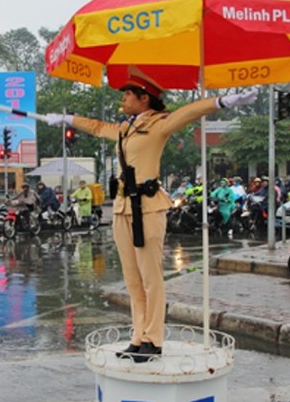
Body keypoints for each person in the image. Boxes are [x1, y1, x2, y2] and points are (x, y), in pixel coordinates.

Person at [43, 66, 257, 362]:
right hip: (122, 208)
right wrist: (67, 119)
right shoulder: (125, 128)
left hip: (148, 207)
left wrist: (222, 101)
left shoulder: (159, 124)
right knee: (132, 278)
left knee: (150, 278)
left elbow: (189, 112)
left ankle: (153, 339)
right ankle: (138, 336)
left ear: (144, 98)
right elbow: (96, 127)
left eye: (128, 94)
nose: (123, 99)